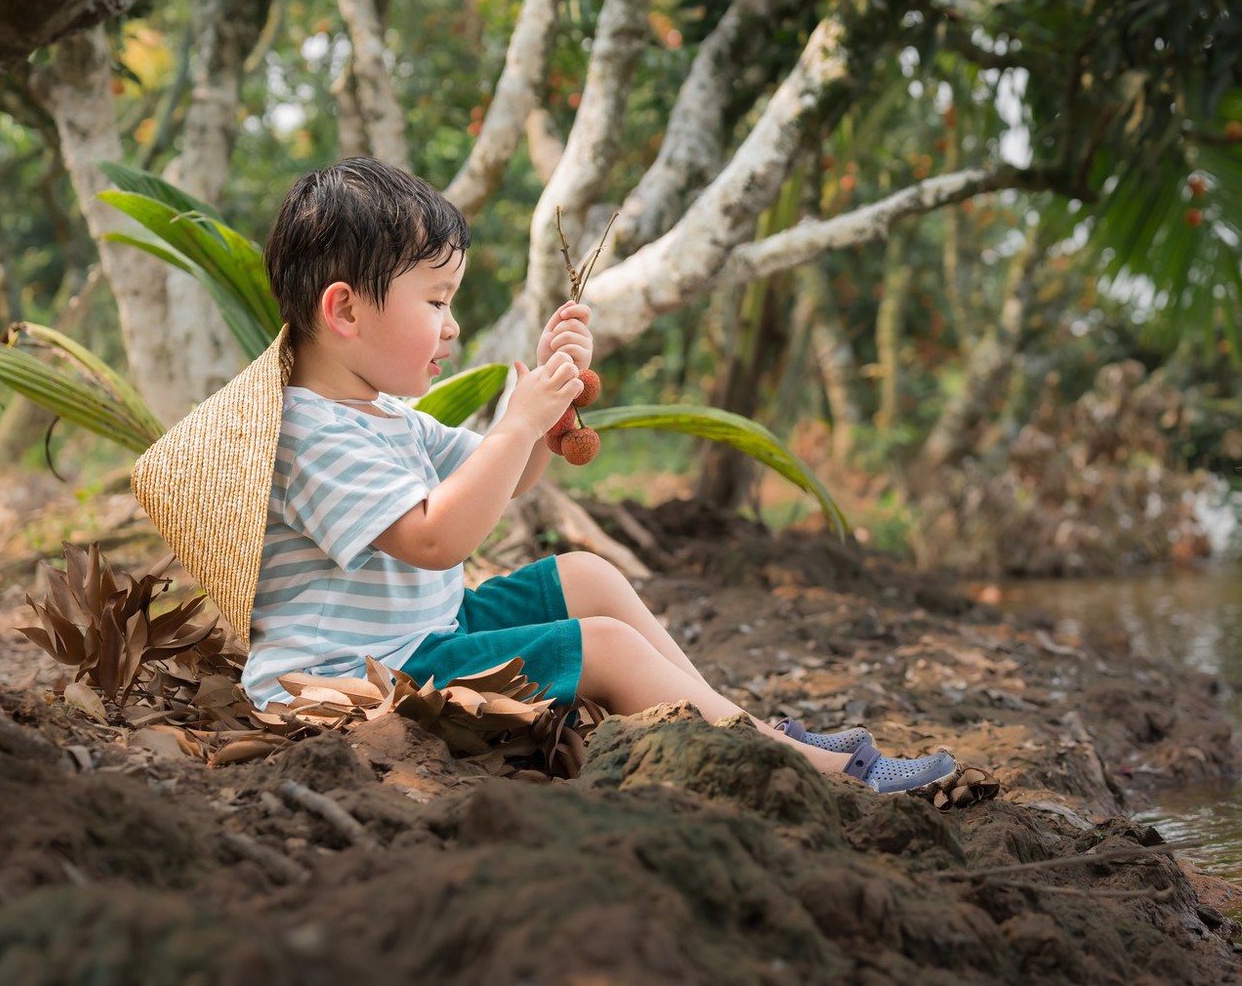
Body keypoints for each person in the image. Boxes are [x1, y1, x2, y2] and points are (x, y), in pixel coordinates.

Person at [131, 157, 956, 794]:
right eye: (436, 301)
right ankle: (810, 769)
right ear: (344, 310)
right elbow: (435, 535)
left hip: (423, 641)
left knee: (588, 574)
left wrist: (546, 415)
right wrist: (518, 419)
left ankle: (741, 722)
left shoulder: (384, 414)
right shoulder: (308, 431)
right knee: (597, 644)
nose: (452, 327)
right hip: (359, 684)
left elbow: (504, 479)